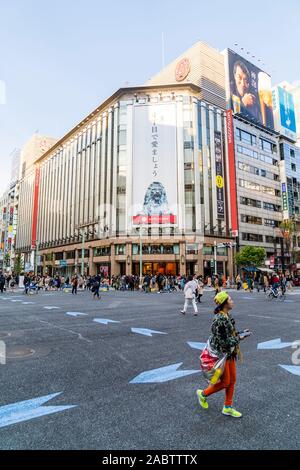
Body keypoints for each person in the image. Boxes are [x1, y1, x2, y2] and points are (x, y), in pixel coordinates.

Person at [196, 291, 251, 418]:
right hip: (221, 354)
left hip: (229, 352)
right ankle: (203, 394)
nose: (232, 301)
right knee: (226, 382)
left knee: (232, 380)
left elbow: (229, 335)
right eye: (230, 299)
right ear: (224, 303)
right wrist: (239, 338)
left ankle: (227, 407)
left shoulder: (227, 315)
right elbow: (223, 342)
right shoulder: (219, 319)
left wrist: (240, 333)